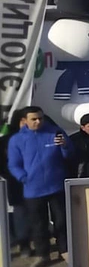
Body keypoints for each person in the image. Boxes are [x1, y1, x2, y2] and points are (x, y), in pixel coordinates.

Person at [7, 107, 72, 267]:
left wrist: (65, 146)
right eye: (34, 119)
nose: (38, 121)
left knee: (61, 220)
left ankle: (65, 250)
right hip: (33, 189)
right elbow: (14, 164)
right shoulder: (17, 140)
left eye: (40, 118)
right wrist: (24, 177)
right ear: (25, 121)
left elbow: (69, 155)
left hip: (56, 186)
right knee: (38, 224)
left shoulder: (55, 132)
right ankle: (43, 254)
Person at [2, 108, 30, 257]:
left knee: (36, 214)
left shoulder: (38, 136)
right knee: (20, 212)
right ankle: (23, 243)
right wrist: (14, 175)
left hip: (36, 183)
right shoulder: (5, 141)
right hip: (15, 183)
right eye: (24, 121)